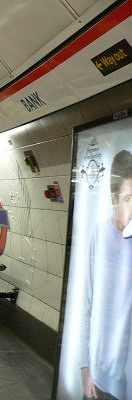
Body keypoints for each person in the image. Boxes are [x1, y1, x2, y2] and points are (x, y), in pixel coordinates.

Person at [80, 149, 132, 400]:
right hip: (97, 379)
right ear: (115, 199)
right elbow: (86, 304)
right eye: (130, 198)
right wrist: (84, 365)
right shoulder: (99, 234)